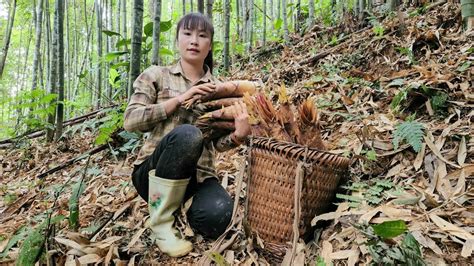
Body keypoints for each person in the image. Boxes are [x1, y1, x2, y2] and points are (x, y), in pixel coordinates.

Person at [123, 13, 251, 258]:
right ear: (177, 39)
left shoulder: (219, 89)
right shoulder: (156, 75)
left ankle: (181, 209)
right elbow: (131, 121)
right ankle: (161, 223)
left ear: (210, 45)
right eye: (188, 34)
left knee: (220, 218)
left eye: (202, 36)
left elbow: (216, 144)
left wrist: (238, 136)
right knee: (188, 135)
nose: (194, 41)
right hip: (153, 173)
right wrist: (179, 100)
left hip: (198, 177)